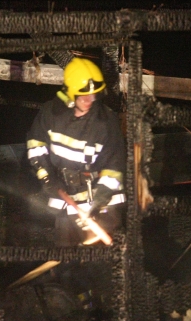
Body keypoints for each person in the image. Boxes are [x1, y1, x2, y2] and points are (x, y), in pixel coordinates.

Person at [26, 58, 126, 246]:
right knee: (66, 256)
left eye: (93, 96)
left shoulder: (106, 122)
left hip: (101, 202)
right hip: (64, 198)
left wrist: (98, 204)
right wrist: (48, 179)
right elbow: (35, 147)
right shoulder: (50, 114)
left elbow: (114, 167)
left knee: (104, 258)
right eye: (83, 96)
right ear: (71, 94)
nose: (89, 101)